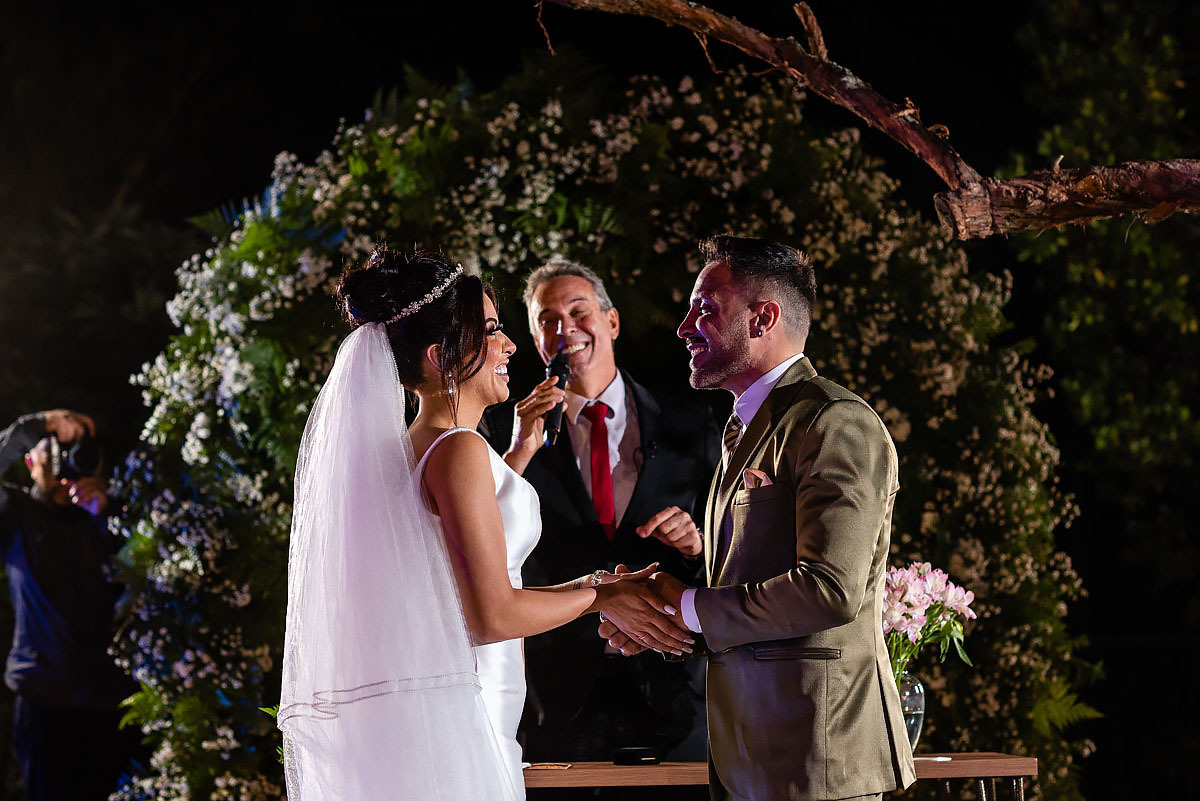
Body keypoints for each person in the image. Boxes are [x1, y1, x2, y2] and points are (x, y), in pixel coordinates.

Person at [277, 246, 692, 801]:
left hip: (463, 706)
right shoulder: (461, 451)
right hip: (469, 707)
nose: (510, 345)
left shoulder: (414, 449)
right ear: (443, 355)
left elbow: (449, 544)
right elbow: (492, 615)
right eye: (492, 330)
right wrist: (599, 593)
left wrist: (519, 453)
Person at [601, 236, 916, 801]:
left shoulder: (833, 421)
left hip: (818, 762)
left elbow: (829, 591)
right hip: (746, 760)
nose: (684, 327)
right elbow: (746, 599)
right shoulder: (740, 430)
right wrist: (667, 628)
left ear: (762, 317)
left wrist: (686, 605)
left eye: (705, 308)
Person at [480, 257, 719, 762]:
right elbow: (476, 545)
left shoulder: (689, 422)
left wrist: (698, 546)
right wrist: (519, 453)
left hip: (673, 696)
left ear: (611, 321)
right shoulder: (503, 433)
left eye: (578, 310)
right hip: (557, 699)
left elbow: (734, 547)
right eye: (547, 319)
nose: (565, 328)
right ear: (535, 339)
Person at [0, 410, 139, 801]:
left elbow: (168, 566)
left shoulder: (110, 515)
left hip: (115, 706)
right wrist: (39, 425)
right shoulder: (15, 515)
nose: (65, 463)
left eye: (75, 452)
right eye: (54, 452)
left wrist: (108, 513)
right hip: (46, 705)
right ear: (30, 461)